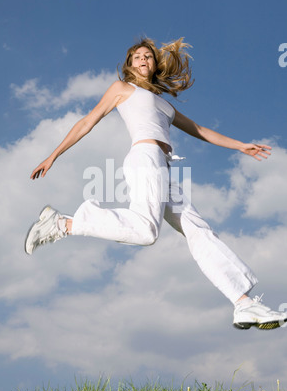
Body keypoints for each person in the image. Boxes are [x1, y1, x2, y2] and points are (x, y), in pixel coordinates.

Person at [25, 37, 287, 331]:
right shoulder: (122, 89)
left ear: (154, 64)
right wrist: (53, 155)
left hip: (163, 167)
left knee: (198, 230)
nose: (143, 59)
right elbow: (88, 121)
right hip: (144, 158)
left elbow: (199, 130)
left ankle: (243, 303)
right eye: (137, 56)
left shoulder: (163, 105)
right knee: (146, 232)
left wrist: (240, 146)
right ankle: (64, 223)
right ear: (129, 64)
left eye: (148, 56)